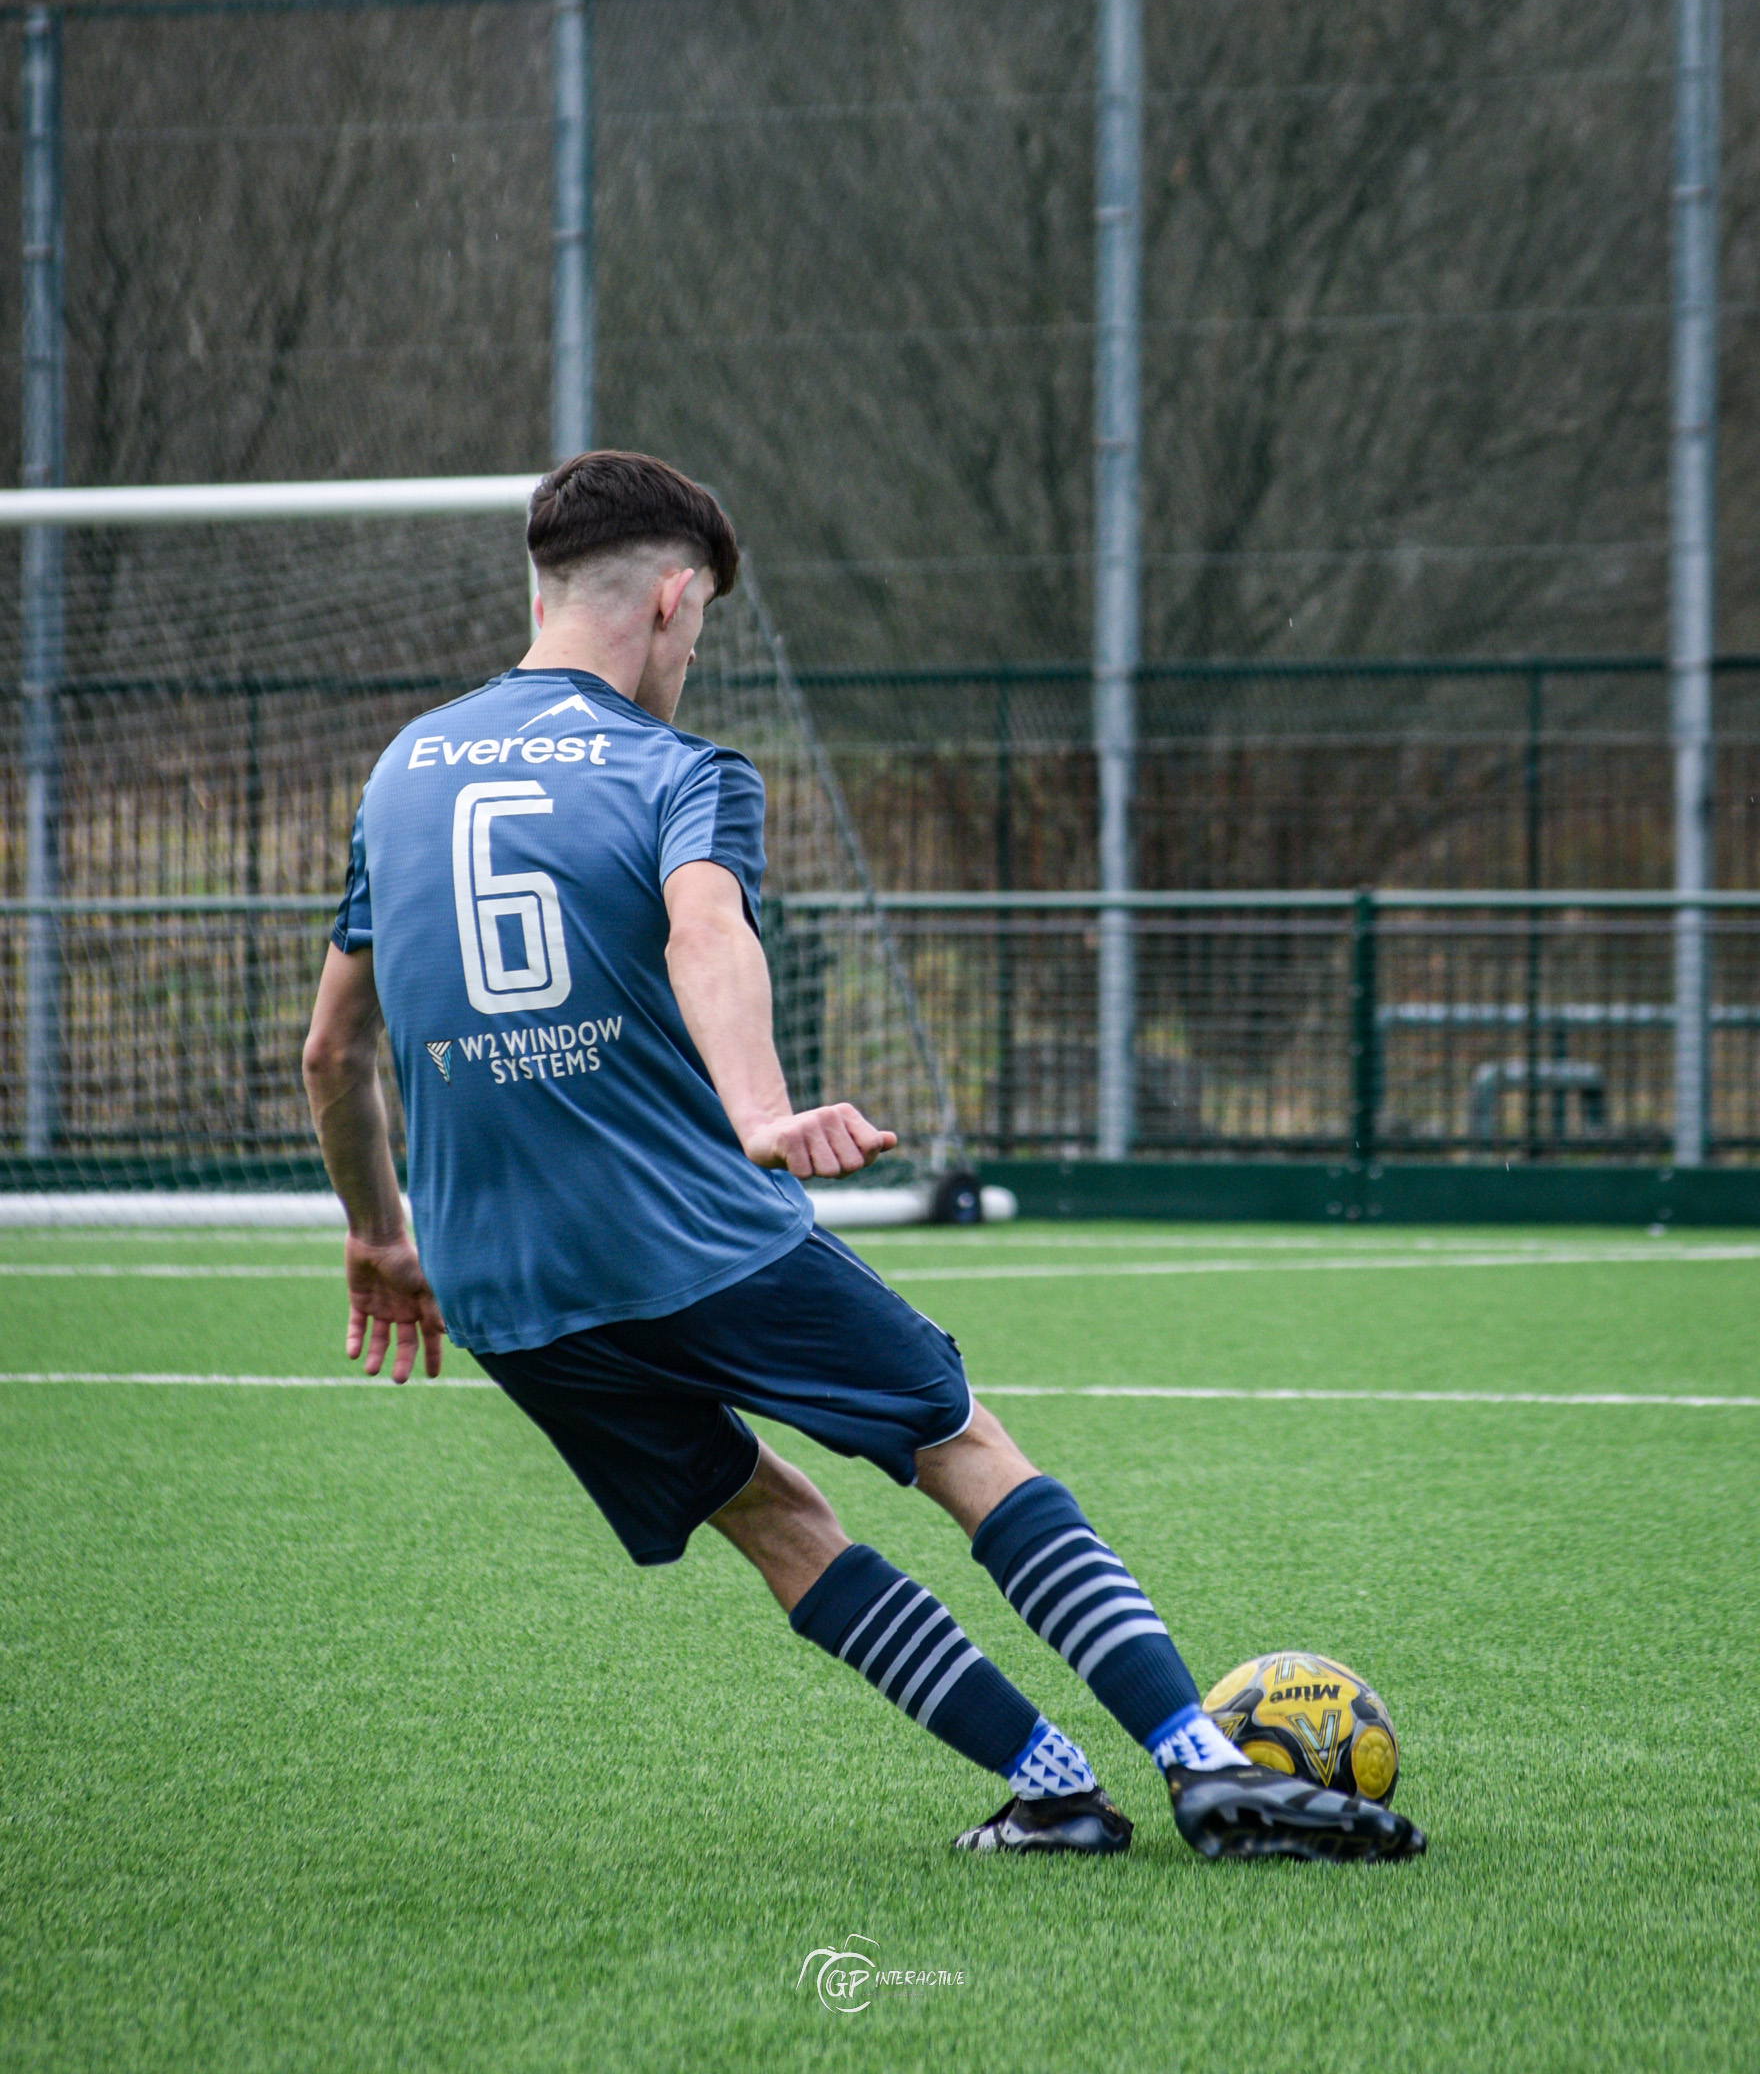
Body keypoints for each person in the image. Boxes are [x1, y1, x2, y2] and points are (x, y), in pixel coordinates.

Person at [302, 450, 1424, 1863]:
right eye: (697, 628)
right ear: (671, 596)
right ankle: (1207, 1767)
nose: (692, 656)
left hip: (505, 1287)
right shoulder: (677, 769)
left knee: (773, 1520)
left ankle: (1055, 1789)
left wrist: (380, 1234)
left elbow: (332, 1054)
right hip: (688, 1232)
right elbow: (707, 930)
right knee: (956, 1438)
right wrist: (762, 1114)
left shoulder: (400, 773)